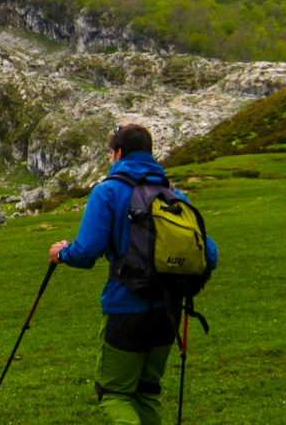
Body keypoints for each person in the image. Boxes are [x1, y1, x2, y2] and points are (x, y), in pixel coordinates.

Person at [48, 124, 218, 425]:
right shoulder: (173, 195)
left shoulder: (108, 191)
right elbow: (210, 254)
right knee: (148, 392)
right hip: (168, 310)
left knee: (114, 394)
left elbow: (87, 251)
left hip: (126, 306)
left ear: (119, 153)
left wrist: (62, 252)